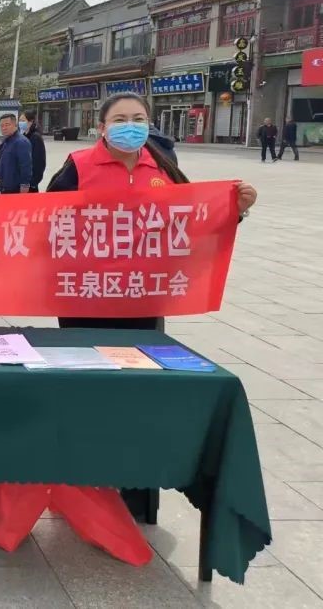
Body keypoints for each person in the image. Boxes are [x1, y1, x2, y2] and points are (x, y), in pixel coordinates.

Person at [46, 92, 258, 521]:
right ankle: (82, 489)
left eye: (138, 118)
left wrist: (236, 210)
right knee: (86, 389)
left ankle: (135, 494)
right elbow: (43, 222)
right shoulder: (78, 167)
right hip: (86, 298)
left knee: (140, 391)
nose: (130, 126)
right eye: (120, 119)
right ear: (101, 127)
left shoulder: (163, 166)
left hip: (143, 299)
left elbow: (194, 219)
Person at [0, 114, 32, 194]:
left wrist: (24, 186)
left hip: (15, 189)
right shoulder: (5, 142)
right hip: (4, 187)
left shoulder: (21, 142)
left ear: (15, 125)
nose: (4, 128)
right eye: (2, 125)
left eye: (7, 125)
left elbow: (26, 166)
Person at [19, 110, 47, 192]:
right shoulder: (23, 136)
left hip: (30, 183)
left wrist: (33, 182)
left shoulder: (35, 138)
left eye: (23, 121)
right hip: (21, 181)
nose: (20, 123)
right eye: (19, 121)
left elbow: (39, 162)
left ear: (30, 122)